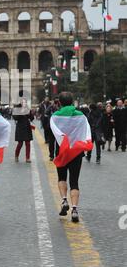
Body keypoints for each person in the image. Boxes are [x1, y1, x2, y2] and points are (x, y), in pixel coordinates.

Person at [50, 92, 93, 223]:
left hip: (62, 151)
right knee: (74, 181)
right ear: (72, 101)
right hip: (76, 152)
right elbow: (86, 132)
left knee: (62, 178)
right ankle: (74, 209)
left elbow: (54, 134)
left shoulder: (55, 116)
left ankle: (64, 200)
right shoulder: (81, 116)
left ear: (59, 103)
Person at [12, 98, 34, 163]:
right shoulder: (17, 109)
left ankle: (28, 158)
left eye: (25, 102)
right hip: (20, 127)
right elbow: (15, 118)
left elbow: (32, 118)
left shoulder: (27, 108)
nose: (24, 103)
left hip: (27, 127)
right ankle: (16, 156)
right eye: (23, 102)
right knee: (20, 144)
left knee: (28, 143)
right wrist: (21, 112)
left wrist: (30, 113)